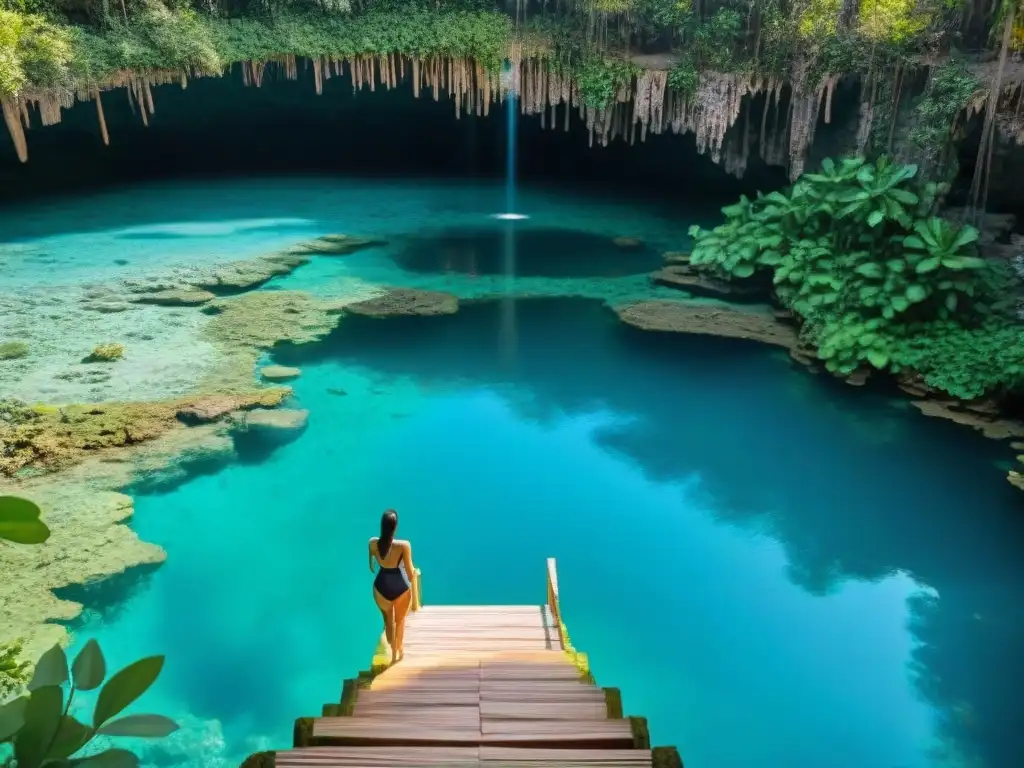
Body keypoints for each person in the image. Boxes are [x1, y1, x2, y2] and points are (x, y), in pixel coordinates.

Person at [368, 509, 416, 664]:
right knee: (400, 620)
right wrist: (415, 574)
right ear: (395, 527)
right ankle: (398, 650)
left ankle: (391, 649)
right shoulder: (404, 546)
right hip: (400, 587)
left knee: (388, 619)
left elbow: (372, 566)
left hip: (381, 586)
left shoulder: (372, 543)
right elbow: (409, 572)